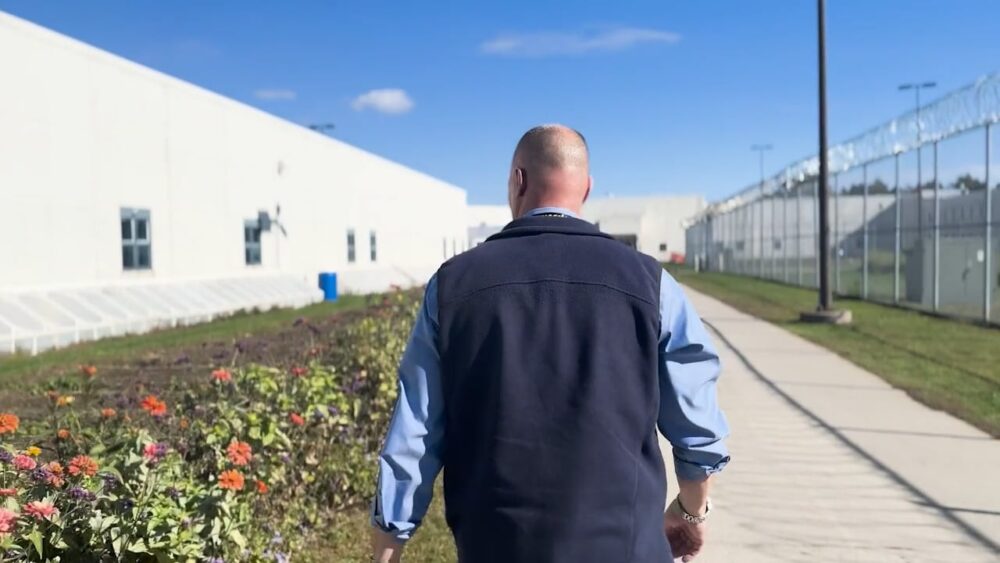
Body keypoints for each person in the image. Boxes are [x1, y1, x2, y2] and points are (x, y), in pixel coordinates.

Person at [370, 125, 729, 563]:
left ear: (517, 181)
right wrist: (691, 511)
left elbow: (416, 432)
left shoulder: (452, 286)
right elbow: (697, 430)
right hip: (625, 547)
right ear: (587, 188)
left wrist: (389, 547)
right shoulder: (651, 284)